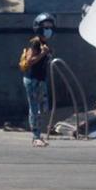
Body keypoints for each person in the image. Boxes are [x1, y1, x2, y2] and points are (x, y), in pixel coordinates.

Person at [21, 13, 55, 147]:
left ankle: (38, 135)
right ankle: (36, 137)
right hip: (33, 79)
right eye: (46, 27)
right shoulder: (35, 42)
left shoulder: (43, 42)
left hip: (40, 79)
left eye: (50, 27)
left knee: (42, 108)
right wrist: (43, 54)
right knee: (35, 109)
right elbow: (30, 61)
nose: (48, 29)